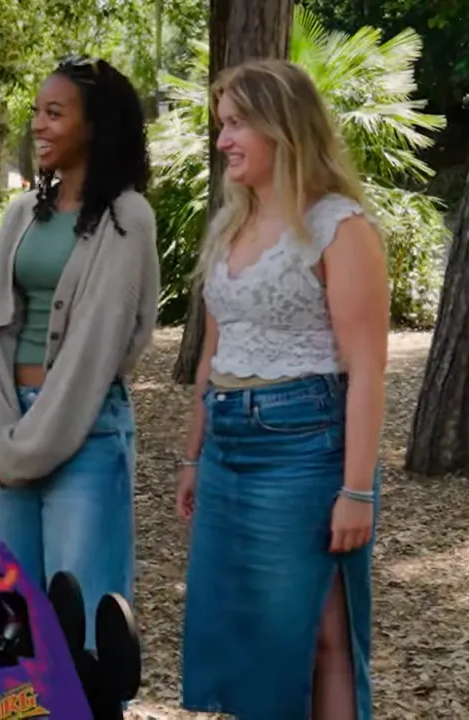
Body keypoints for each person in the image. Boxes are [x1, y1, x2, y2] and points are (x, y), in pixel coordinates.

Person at [175, 58, 390, 719]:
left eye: (237, 124)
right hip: (227, 443)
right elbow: (214, 349)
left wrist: (355, 491)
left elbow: (367, 369)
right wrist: (193, 453)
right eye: (221, 125)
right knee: (246, 634)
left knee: (321, 633)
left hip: (304, 449)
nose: (222, 141)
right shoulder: (230, 223)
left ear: (283, 126)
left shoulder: (338, 227)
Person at [0, 56, 160, 651]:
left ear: (95, 126)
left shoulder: (128, 218)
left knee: (83, 630)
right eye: (37, 112)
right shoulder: (22, 214)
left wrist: (28, 445)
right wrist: (1, 431)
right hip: (13, 430)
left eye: (56, 113)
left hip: (85, 434)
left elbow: (98, 348)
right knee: (17, 624)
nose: (40, 125)